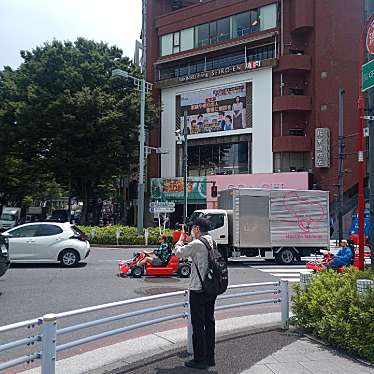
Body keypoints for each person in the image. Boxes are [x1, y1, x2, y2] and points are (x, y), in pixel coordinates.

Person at [175, 217, 217, 370]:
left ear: (197, 229)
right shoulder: (211, 241)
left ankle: (199, 359)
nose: (192, 231)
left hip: (198, 289)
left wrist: (180, 239)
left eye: (193, 228)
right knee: (209, 322)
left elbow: (179, 253)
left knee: (198, 325)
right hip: (211, 288)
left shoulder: (197, 243)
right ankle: (210, 357)